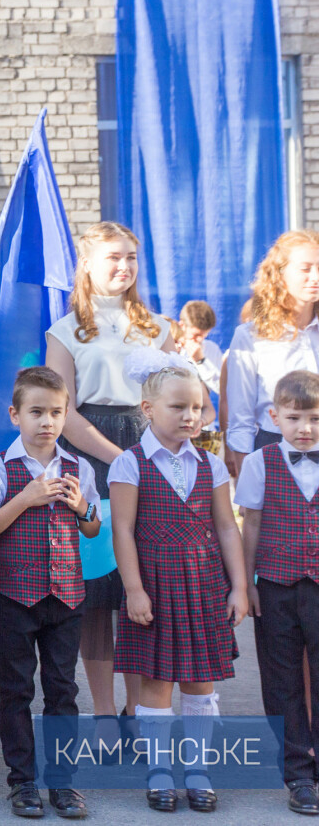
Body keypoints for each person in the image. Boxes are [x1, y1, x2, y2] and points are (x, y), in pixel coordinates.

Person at [43, 221, 172, 743]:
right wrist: (121, 460)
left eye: (131, 257)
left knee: (143, 583)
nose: (124, 266)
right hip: (94, 455)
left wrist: (146, 457)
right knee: (98, 590)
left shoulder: (159, 328)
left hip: (149, 448)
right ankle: (102, 713)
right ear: (88, 264)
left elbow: (171, 397)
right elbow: (64, 410)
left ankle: (137, 710)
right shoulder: (64, 330)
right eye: (113, 257)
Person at [109, 354, 244, 813]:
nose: (191, 416)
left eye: (198, 407)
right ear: (148, 409)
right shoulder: (129, 464)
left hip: (204, 584)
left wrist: (238, 586)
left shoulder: (212, 464)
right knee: (156, 681)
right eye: (179, 407)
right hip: (155, 584)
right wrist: (134, 589)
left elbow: (227, 527)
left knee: (200, 682)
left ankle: (199, 770)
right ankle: (160, 771)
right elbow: (123, 530)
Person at [0, 367, 100, 818]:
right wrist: (24, 498)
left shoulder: (78, 467)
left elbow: (92, 528)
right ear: (15, 414)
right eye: (36, 412)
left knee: (63, 689)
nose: (47, 421)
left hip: (67, 597)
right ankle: (22, 781)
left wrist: (82, 506)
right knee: (16, 689)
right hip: (16, 598)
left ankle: (63, 782)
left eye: (56, 413)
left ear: (66, 415)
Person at [236, 369, 319, 816]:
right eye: (294, 417)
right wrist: (247, 584)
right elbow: (250, 524)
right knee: (281, 680)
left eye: (315, 418)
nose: (305, 428)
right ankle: (298, 774)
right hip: (274, 585)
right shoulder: (259, 462)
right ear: (274, 417)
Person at [226, 230, 319, 472]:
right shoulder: (250, 336)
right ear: (280, 273)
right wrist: (246, 480)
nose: (315, 277)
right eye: (305, 268)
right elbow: (241, 419)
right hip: (274, 454)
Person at [176, 300, 224, 397]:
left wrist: (201, 361)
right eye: (196, 334)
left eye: (204, 335)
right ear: (182, 325)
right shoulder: (170, 345)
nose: (200, 339)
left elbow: (222, 388)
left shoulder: (211, 349)